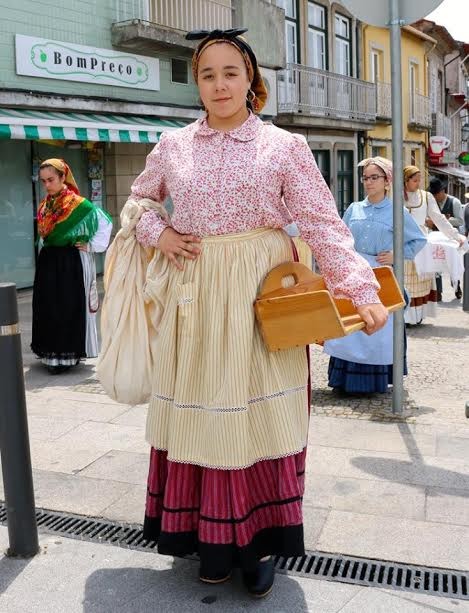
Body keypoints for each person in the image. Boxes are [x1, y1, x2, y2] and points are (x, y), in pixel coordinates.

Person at [108, 28, 387, 599]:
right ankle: (205, 541)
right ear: (197, 83)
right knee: (202, 412)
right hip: (194, 297)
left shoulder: (284, 146)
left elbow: (322, 224)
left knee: (257, 415)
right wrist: (160, 233)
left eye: (230, 72)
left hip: (261, 298)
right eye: (207, 74)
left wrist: (361, 291)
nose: (219, 84)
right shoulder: (173, 145)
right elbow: (137, 204)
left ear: (250, 79)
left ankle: (259, 546)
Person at [324, 157, 426, 394]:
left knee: (376, 328)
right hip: (354, 274)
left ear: (387, 181)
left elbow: (418, 240)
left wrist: (396, 255)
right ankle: (343, 380)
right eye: (365, 178)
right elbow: (341, 238)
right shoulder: (354, 209)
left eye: (374, 177)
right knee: (351, 326)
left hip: (381, 278)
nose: (368, 182)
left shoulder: (397, 212)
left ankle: (372, 382)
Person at [31, 158, 112, 373]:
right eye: (43, 181)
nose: (47, 185)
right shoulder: (45, 205)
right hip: (49, 261)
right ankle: (50, 354)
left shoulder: (80, 205)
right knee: (47, 306)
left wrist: (91, 245)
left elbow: (105, 223)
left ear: (62, 177)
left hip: (71, 260)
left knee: (68, 306)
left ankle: (67, 356)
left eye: (51, 180)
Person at [403, 166, 465, 323]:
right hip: (400, 243)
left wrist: (455, 236)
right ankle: (403, 317)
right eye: (415, 180)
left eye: (419, 180)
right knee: (403, 281)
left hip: (420, 243)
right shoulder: (395, 196)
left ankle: (416, 317)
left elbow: (439, 219)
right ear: (405, 181)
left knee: (418, 281)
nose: (418, 183)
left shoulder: (426, 197)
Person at [428, 177, 465, 299]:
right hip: (436, 237)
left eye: (436, 193)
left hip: (451, 239)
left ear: (443, 191)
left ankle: (456, 286)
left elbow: (460, 221)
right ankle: (438, 291)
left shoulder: (454, 202)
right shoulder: (432, 203)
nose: (435, 196)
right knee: (436, 263)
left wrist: (446, 220)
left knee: (453, 263)